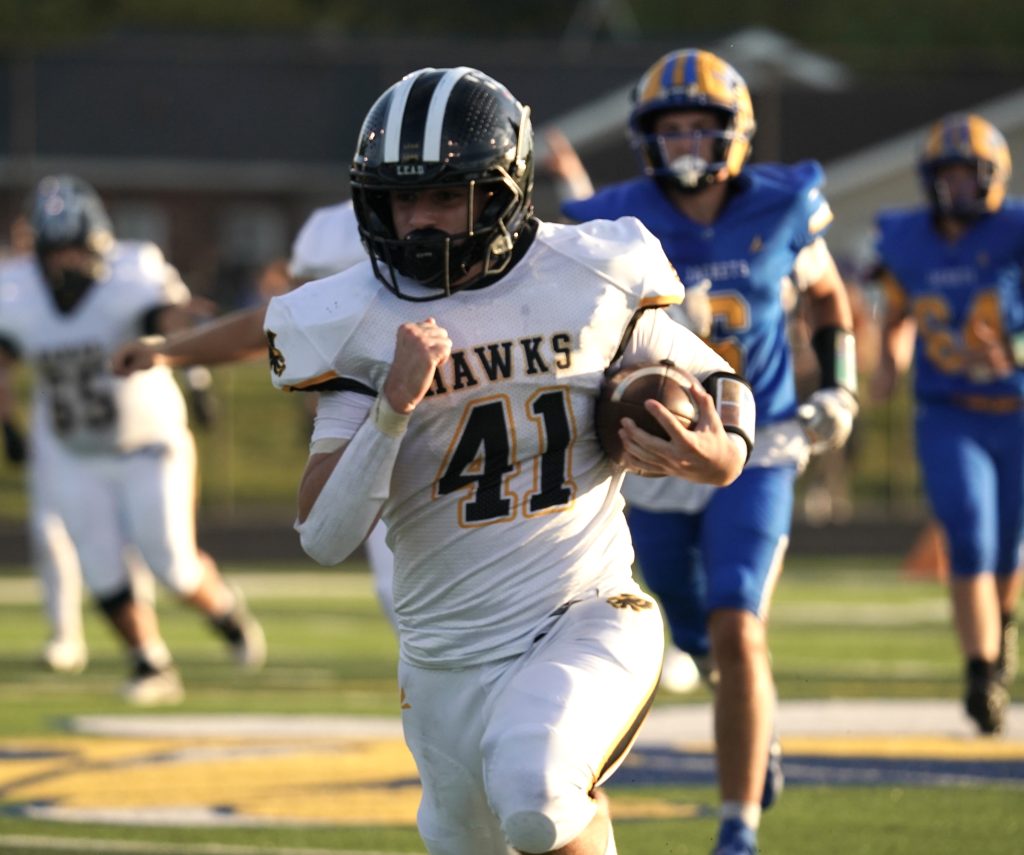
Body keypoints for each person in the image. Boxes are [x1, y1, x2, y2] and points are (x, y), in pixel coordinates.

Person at [267, 66, 755, 855]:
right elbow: (324, 535)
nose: (417, 221)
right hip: (441, 660)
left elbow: (716, 376)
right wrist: (391, 410)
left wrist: (725, 451)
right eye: (400, 198)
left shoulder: (594, 270)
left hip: (583, 610)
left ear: (499, 191)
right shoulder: (352, 316)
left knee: (538, 790)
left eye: (441, 195)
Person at [547, 49, 858, 855]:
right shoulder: (615, 217)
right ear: (647, 137)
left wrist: (844, 386)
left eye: (700, 126)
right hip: (652, 453)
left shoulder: (785, 203)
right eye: (670, 126)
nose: (685, 141)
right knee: (691, 630)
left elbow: (824, 290)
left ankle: (737, 827)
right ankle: (754, 729)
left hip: (759, 443)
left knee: (737, 621)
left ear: (735, 134)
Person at [0, 174, 266, 705]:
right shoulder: (17, 291)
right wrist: (10, 425)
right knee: (100, 568)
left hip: (149, 442)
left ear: (101, 245)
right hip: (73, 452)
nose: (68, 265)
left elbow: (168, 321)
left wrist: (196, 367)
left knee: (172, 564)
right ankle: (150, 661)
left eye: (78, 251)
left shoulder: (134, 270)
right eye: (58, 253)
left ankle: (224, 610)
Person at [110, 199, 399, 629]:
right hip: (376, 423)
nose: (423, 217)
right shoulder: (330, 234)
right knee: (396, 594)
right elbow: (282, 323)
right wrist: (169, 352)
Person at [871, 112, 1024, 735]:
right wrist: (887, 365)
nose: (956, 187)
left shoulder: (1015, 229)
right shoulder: (907, 237)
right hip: (948, 409)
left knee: (1009, 547)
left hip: (1016, 410)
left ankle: (1001, 625)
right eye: (947, 174)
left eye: (968, 175)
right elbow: (899, 314)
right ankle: (981, 670)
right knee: (969, 533)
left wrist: (1015, 350)